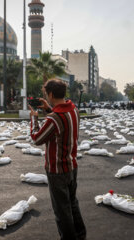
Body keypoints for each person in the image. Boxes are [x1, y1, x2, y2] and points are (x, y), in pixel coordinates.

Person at [29, 79, 86, 240]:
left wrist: (34, 118)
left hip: (57, 171)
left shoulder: (54, 118)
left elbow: (37, 138)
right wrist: (48, 109)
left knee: (62, 210)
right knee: (72, 203)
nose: (46, 97)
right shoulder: (73, 110)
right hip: (72, 166)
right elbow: (61, 127)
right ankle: (80, 234)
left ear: (51, 94)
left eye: (46, 94)